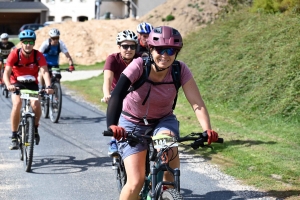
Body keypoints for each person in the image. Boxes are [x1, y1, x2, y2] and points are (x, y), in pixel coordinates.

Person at [105, 26, 219, 199]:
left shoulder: (179, 70)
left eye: (171, 50)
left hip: (163, 121)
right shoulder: (138, 65)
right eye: (159, 49)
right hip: (132, 122)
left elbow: (197, 102)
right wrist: (113, 125)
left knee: (169, 168)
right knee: (136, 181)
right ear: (150, 49)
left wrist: (207, 129)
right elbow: (117, 95)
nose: (165, 55)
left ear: (176, 53)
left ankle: (167, 193)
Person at [3, 29, 53, 150]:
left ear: (34, 43)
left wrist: (48, 86)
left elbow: (45, 71)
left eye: (30, 42)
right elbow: (6, 72)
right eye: (25, 42)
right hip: (16, 83)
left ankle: (34, 128)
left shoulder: (38, 55)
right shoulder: (15, 54)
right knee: (17, 103)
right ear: (21, 43)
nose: (28, 44)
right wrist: (9, 84)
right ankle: (14, 136)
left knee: (36, 105)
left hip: (32, 83)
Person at [102, 30, 139, 156]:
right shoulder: (112, 59)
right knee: (118, 109)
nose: (129, 49)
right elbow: (107, 79)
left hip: (136, 93)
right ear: (119, 47)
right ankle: (114, 140)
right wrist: (107, 94)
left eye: (132, 46)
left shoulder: (140, 59)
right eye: (125, 46)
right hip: (117, 93)